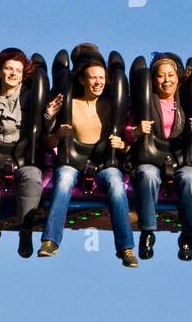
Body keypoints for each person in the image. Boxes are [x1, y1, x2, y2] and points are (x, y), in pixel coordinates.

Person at [38, 51, 137, 266]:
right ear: (82, 80)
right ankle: (50, 241)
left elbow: (127, 141)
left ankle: (126, 248)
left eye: (102, 78)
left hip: (103, 161)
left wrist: (123, 145)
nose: (98, 82)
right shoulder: (70, 104)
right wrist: (58, 134)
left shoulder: (111, 106)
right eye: (94, 78)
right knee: (63, 180)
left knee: (116, 185)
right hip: (73, 161)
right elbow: (48, 142)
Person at [0, 48, 60, 258]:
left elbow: (45, 131)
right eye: (8, 69)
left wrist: (49, 115)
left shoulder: (29, 97)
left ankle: (26, 229)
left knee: (32, 175)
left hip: (22, 154)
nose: (13, 74)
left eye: (17, 70)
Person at [127, 52, 192, 261]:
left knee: (189, 178)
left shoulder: (186, 100)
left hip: (183, 157)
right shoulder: (146, 101)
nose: (166, 80)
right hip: (152, 157)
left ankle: (187, 235)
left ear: (178, 77)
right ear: (153, 80)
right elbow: (128, 129)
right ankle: (147, 232)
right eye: (161, 76)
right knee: (147, 175)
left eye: (170, 75)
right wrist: (136, 131)